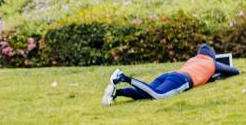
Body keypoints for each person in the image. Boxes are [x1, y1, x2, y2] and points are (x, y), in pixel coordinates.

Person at [102, 44, 239, 105]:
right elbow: (234, 71)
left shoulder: (193, 59)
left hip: (171, 74)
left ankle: (116, 93)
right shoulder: (212, 63)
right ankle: (124, 77)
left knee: (146, 93)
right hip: (183, 79)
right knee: (158, 95)